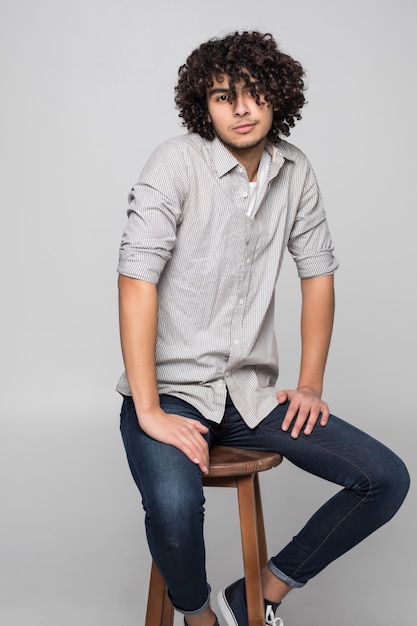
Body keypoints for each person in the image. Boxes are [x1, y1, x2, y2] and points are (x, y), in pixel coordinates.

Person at [117, 31, 409, 626]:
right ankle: (199, 618)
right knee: (174, 507)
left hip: (249, 397)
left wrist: (309, 383)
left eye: (253, 93)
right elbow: (134, 281)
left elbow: (318, 274)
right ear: (204, 103)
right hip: (171, 390)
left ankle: (255, 597)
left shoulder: (294, 171)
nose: (242, 109)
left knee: (385, 478)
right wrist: (148, 408)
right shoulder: (175, 161)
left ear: (278, 96)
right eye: (225, 96)